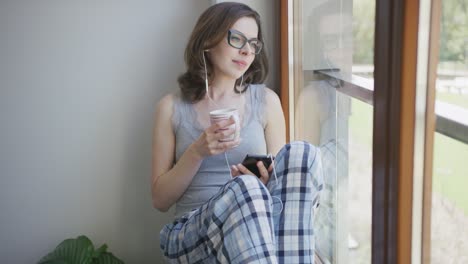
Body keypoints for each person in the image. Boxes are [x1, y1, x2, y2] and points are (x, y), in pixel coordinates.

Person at [152, 2, 323, 263]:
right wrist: (197, 151)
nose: (246, 50)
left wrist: (266, 181)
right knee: (245, 188)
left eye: (253, 44)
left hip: (253, 229)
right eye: (237, 39)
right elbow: (160, 200)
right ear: (208, 39)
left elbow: (281, 187)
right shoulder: (171, 107)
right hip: (192, 236)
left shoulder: (266, 101)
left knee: (303, 153)